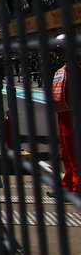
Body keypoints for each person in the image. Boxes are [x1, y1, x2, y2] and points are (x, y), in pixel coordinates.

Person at [50, 36, 78, 193]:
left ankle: (76, 186)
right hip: (63, 114)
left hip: (73, 114)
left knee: (73, 150)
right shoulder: (62, 70)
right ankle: (68, 183)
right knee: (65, 150)